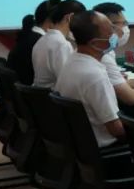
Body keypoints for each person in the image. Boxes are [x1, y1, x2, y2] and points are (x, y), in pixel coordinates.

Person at [54, 11, 126, 147]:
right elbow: (116, 129)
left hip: (80, 144)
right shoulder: (95, 76)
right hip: (104, 147)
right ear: (94, 43)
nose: (116, 34)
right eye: (110, 32)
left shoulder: (71, 61)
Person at [92, 2, 134, 107]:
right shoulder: (103, 56)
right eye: (124, 23)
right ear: (108, 26)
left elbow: (117, 84)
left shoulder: (102, 51)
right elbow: (130, 98)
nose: (126, 28)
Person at [32, 0, 85, 88]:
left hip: (42, 95)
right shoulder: (61, 44)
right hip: (54, 95)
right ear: (70, 17)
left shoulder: (42, 40)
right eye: (82, 20)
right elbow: (68, 81)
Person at [9, 0, 60, 85]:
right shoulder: (42, 42)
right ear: (50, 20)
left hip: (20, 89)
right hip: (29, 90)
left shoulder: (28, 35)